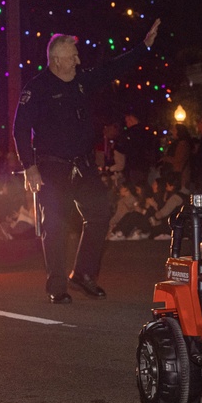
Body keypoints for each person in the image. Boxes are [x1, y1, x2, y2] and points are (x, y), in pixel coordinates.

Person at [13, 18, 160, 304]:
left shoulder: (81, 81)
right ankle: (57, 287)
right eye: (73, 56)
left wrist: (144, 47)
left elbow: (111, 69)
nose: (78, 61)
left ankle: (83, 274)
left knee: (100, 213)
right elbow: (20, 129)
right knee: (55, 225)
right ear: (56, 59)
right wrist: (29, 167)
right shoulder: (38, 87)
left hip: (83, 165)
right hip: (51, 167)